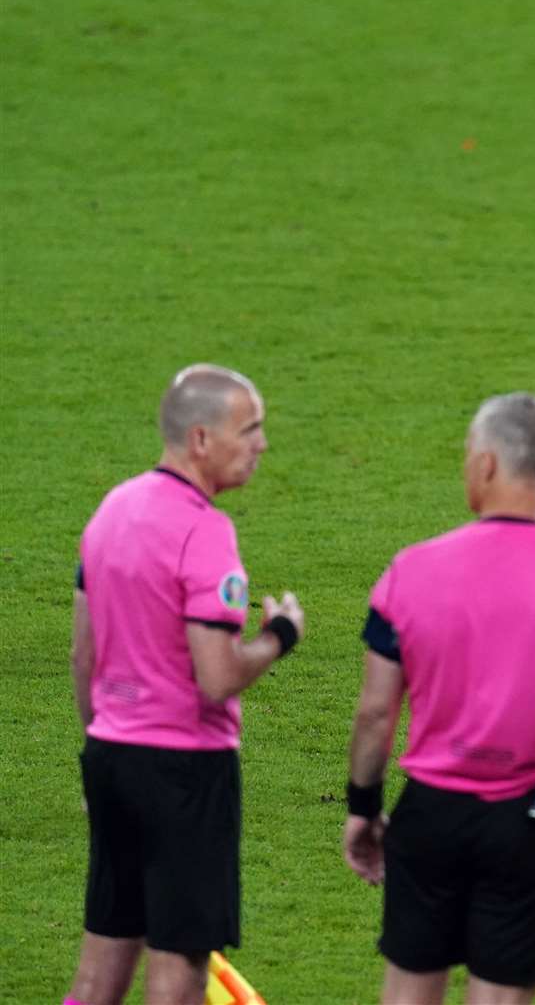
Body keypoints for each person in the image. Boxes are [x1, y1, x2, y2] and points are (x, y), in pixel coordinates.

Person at [342, 392, 535, 1005]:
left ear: (486, 464)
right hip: (530, 820)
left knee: (408, 993)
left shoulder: (409, 571)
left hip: (430, 814)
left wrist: (363, 808)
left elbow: (376, 712)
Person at [65, 364, 304, 1005]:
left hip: (112, 757)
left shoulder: (110, 511)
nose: (261, 444)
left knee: (99, 973)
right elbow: (216, 677)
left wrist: (98, 752)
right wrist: (279, 635)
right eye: (249, 429)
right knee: (178, 977)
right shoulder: (205, 532)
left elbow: (82, 656)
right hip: (184, 775)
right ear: (201, 439)